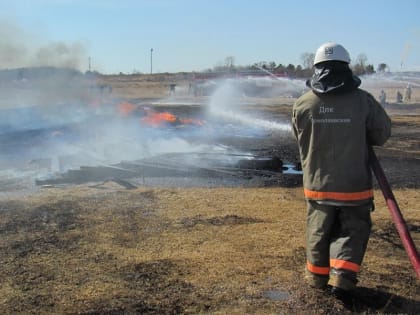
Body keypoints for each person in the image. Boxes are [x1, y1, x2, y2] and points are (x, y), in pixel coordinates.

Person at [292, 42, 391, 297]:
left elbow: (299, 136)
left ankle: (316, 278)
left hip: (317, 186)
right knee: (352, 230)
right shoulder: (363, 101)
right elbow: (381, 134)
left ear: (316, 69)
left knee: (317, 229)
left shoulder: (303, 104)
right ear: (346, 67)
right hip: (354, 186)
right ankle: (343, 280)